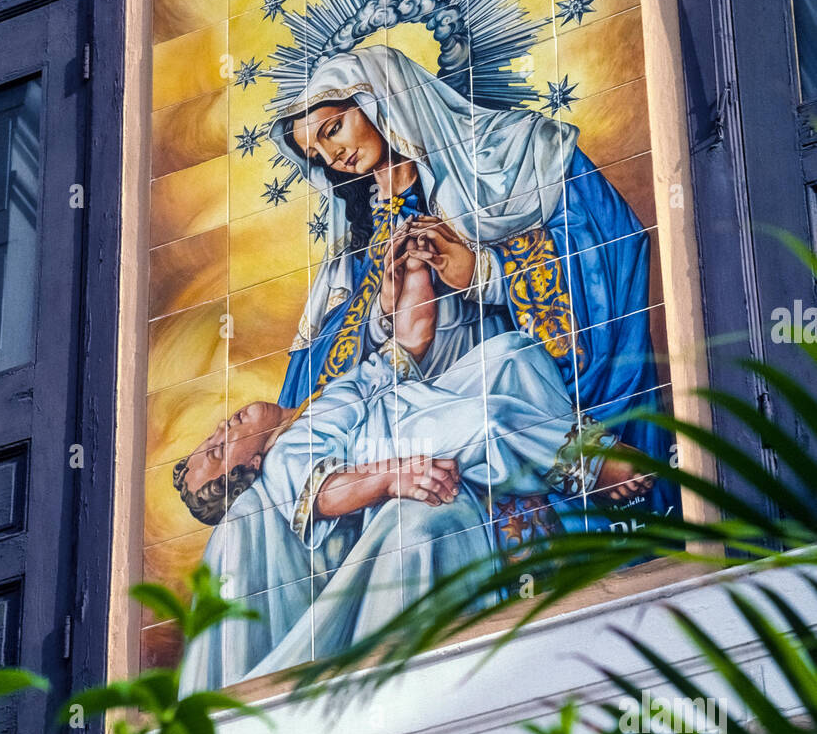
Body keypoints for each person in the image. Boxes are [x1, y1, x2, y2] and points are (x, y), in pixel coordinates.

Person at [176, 253, 649, 691]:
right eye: (219, 450)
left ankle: (573, 451)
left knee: (510, 353)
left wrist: (415, 269)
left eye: (209, 438)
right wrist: (391, 478)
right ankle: (592, 469)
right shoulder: (284, 457)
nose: (221, 428)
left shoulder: (314, 405)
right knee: (486, 421)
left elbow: (410, 341)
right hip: (398, 440)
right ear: (250, 468)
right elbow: (325, 495)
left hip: (421, 403)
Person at [270, 43, 675, 527]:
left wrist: (485, 273)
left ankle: (584, 462)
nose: (334, 156)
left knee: (506, 360)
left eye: (334, 128)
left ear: (378, 97)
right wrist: (383, 310)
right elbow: (342, 377)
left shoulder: (516, 153)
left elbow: (609, 243)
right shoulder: (362, 241)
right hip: (428, 413)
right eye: (317, 154)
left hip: (523, 378)